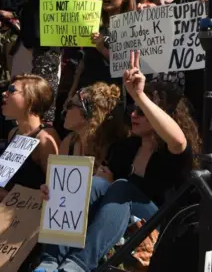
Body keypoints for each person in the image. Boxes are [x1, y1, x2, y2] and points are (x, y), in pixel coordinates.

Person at [34, 51, 200, 272]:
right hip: (125, 228)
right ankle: (50, 261)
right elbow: (98, 189)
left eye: (142, 111)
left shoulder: (172, 152)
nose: (133, 114)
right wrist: (61, 194)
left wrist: (139, 95)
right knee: (96, 184)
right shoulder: (126, 148)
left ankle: (77, 266)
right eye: (133, 108)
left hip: (164, 229)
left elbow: (178, 141)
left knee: (121, 187)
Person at [0, 74, 60, 198]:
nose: (4, 93)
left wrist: (5, 196)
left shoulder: (44, 139)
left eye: (11, 90)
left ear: (31, 99)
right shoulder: (14, 133)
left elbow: (55, 191)